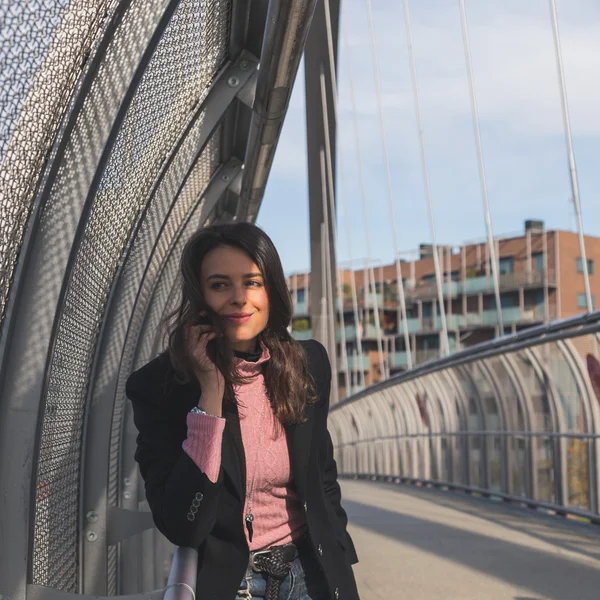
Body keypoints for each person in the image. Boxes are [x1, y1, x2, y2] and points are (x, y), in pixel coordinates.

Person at [126, 222, 359, 600]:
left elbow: (322, 477)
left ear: (271, 289)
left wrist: (339, 554)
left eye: (252, 282)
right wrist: (210, 397)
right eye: (220, 285)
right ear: (200, 296)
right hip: (234, 584)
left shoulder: (308, 364)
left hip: (312, 576)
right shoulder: (160, 387)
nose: (239, 298)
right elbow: (184, 525)